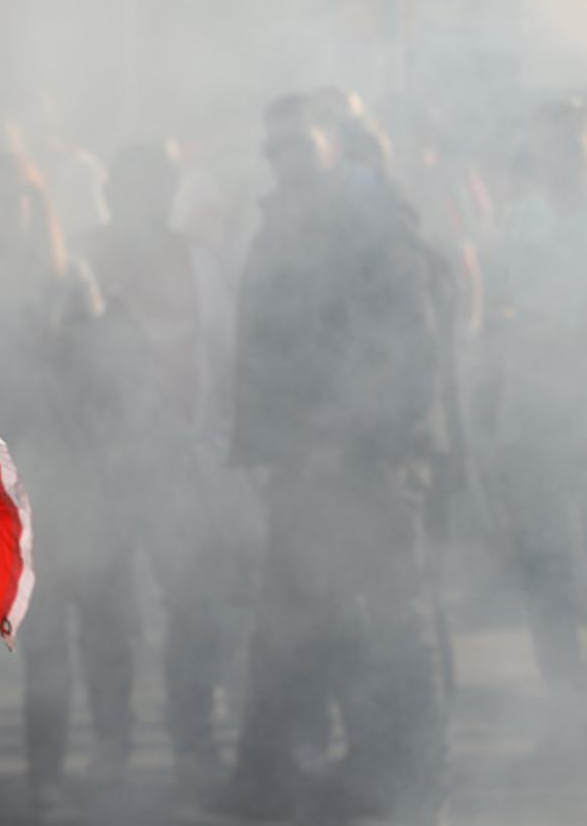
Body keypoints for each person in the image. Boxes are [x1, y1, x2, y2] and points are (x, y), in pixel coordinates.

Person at [216, 93, 448, 824]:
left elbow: (411, 342)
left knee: (388, 619)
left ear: (334, 141)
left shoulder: (377, 216)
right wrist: (257, 444)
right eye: (272, 146)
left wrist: (383, 443)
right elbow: (257, 342)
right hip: (300, 457)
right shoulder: (281, 220)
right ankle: (281, 779)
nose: (281, 158)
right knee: (293, 616)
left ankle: (403, 783)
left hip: (370, 458)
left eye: (296, 143)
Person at [0, 149, 126, 824]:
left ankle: (46, 782)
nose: (3, 211)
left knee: (45, 638)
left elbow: (104, 384)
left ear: (34, 206)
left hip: (51, 476)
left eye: (15, 197)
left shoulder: (67, 280)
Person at [78, 141, 252, 789]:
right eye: (128, 186)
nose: (139, 200)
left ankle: (192, 740)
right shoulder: (83, 254)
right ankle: (111, 742)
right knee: (105, 610)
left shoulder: (198, 261)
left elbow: (227, 359)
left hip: (180, 461)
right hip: (102, 466)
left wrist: (225, 453)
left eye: (152, 187)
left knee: (195, 605)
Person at [482, 96, 587, 757]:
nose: (559, 159)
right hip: (531, 420)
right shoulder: (521, 215)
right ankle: (570, 713)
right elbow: (500, 306)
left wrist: (576, 327)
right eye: (547, 146)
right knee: (544, 578)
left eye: (573, 146)